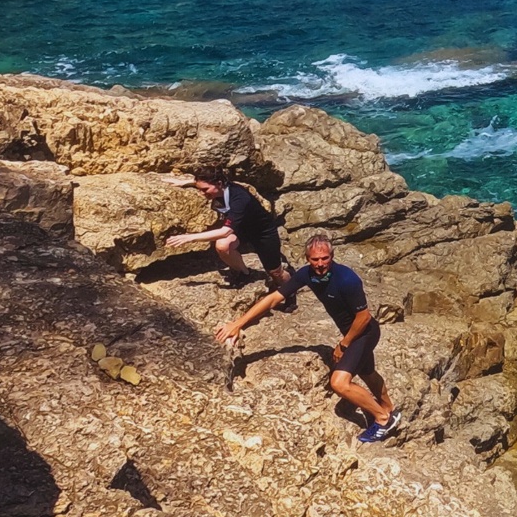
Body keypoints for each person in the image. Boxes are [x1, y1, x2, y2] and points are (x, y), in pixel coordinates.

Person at [213, 233, 400, 443]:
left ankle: (383, 419)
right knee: (368, 373)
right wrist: (238, 323)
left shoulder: (347, 279)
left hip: (364, 333)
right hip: (353, 333)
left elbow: (363, 317)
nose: (320, 264)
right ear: (307, 258)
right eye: (315, 259)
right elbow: (274, 298)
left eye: (325, 258)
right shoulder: (306, 275)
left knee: (339, 383)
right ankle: (389, 409)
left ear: (332, 256)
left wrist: (344, 344)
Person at [163, 167, 287, 288]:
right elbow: (205, 182)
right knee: (222, 245)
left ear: (219, 183)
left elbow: (225, 231)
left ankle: (290, 293)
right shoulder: (220, 186)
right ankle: (244, 273)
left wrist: (189, 238)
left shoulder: (240, 197)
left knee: (275, 272)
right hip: (241, 229)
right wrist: (184, 182)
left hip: (262, 233)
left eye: (205, 190)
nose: (202, 194)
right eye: (199, 189)